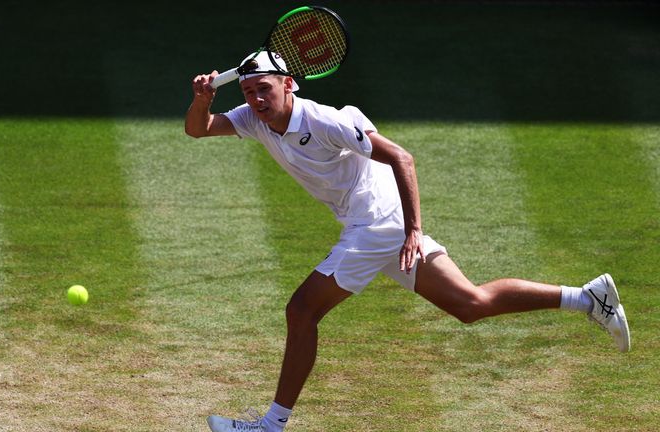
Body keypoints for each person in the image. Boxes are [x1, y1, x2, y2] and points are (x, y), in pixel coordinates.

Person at [185, 51, 631, 432]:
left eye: (265, 89)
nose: (257, 99)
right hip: (377, 225)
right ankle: (589, 299)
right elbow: (198, 129)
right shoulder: (254, 119)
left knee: (301, 311)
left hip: (379, 223)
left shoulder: (324, 121)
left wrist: (413, 229)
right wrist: (202, 100)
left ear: (289, 84)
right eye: (249, 93)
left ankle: (271, 425)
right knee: (469, 304)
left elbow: (401, 157)